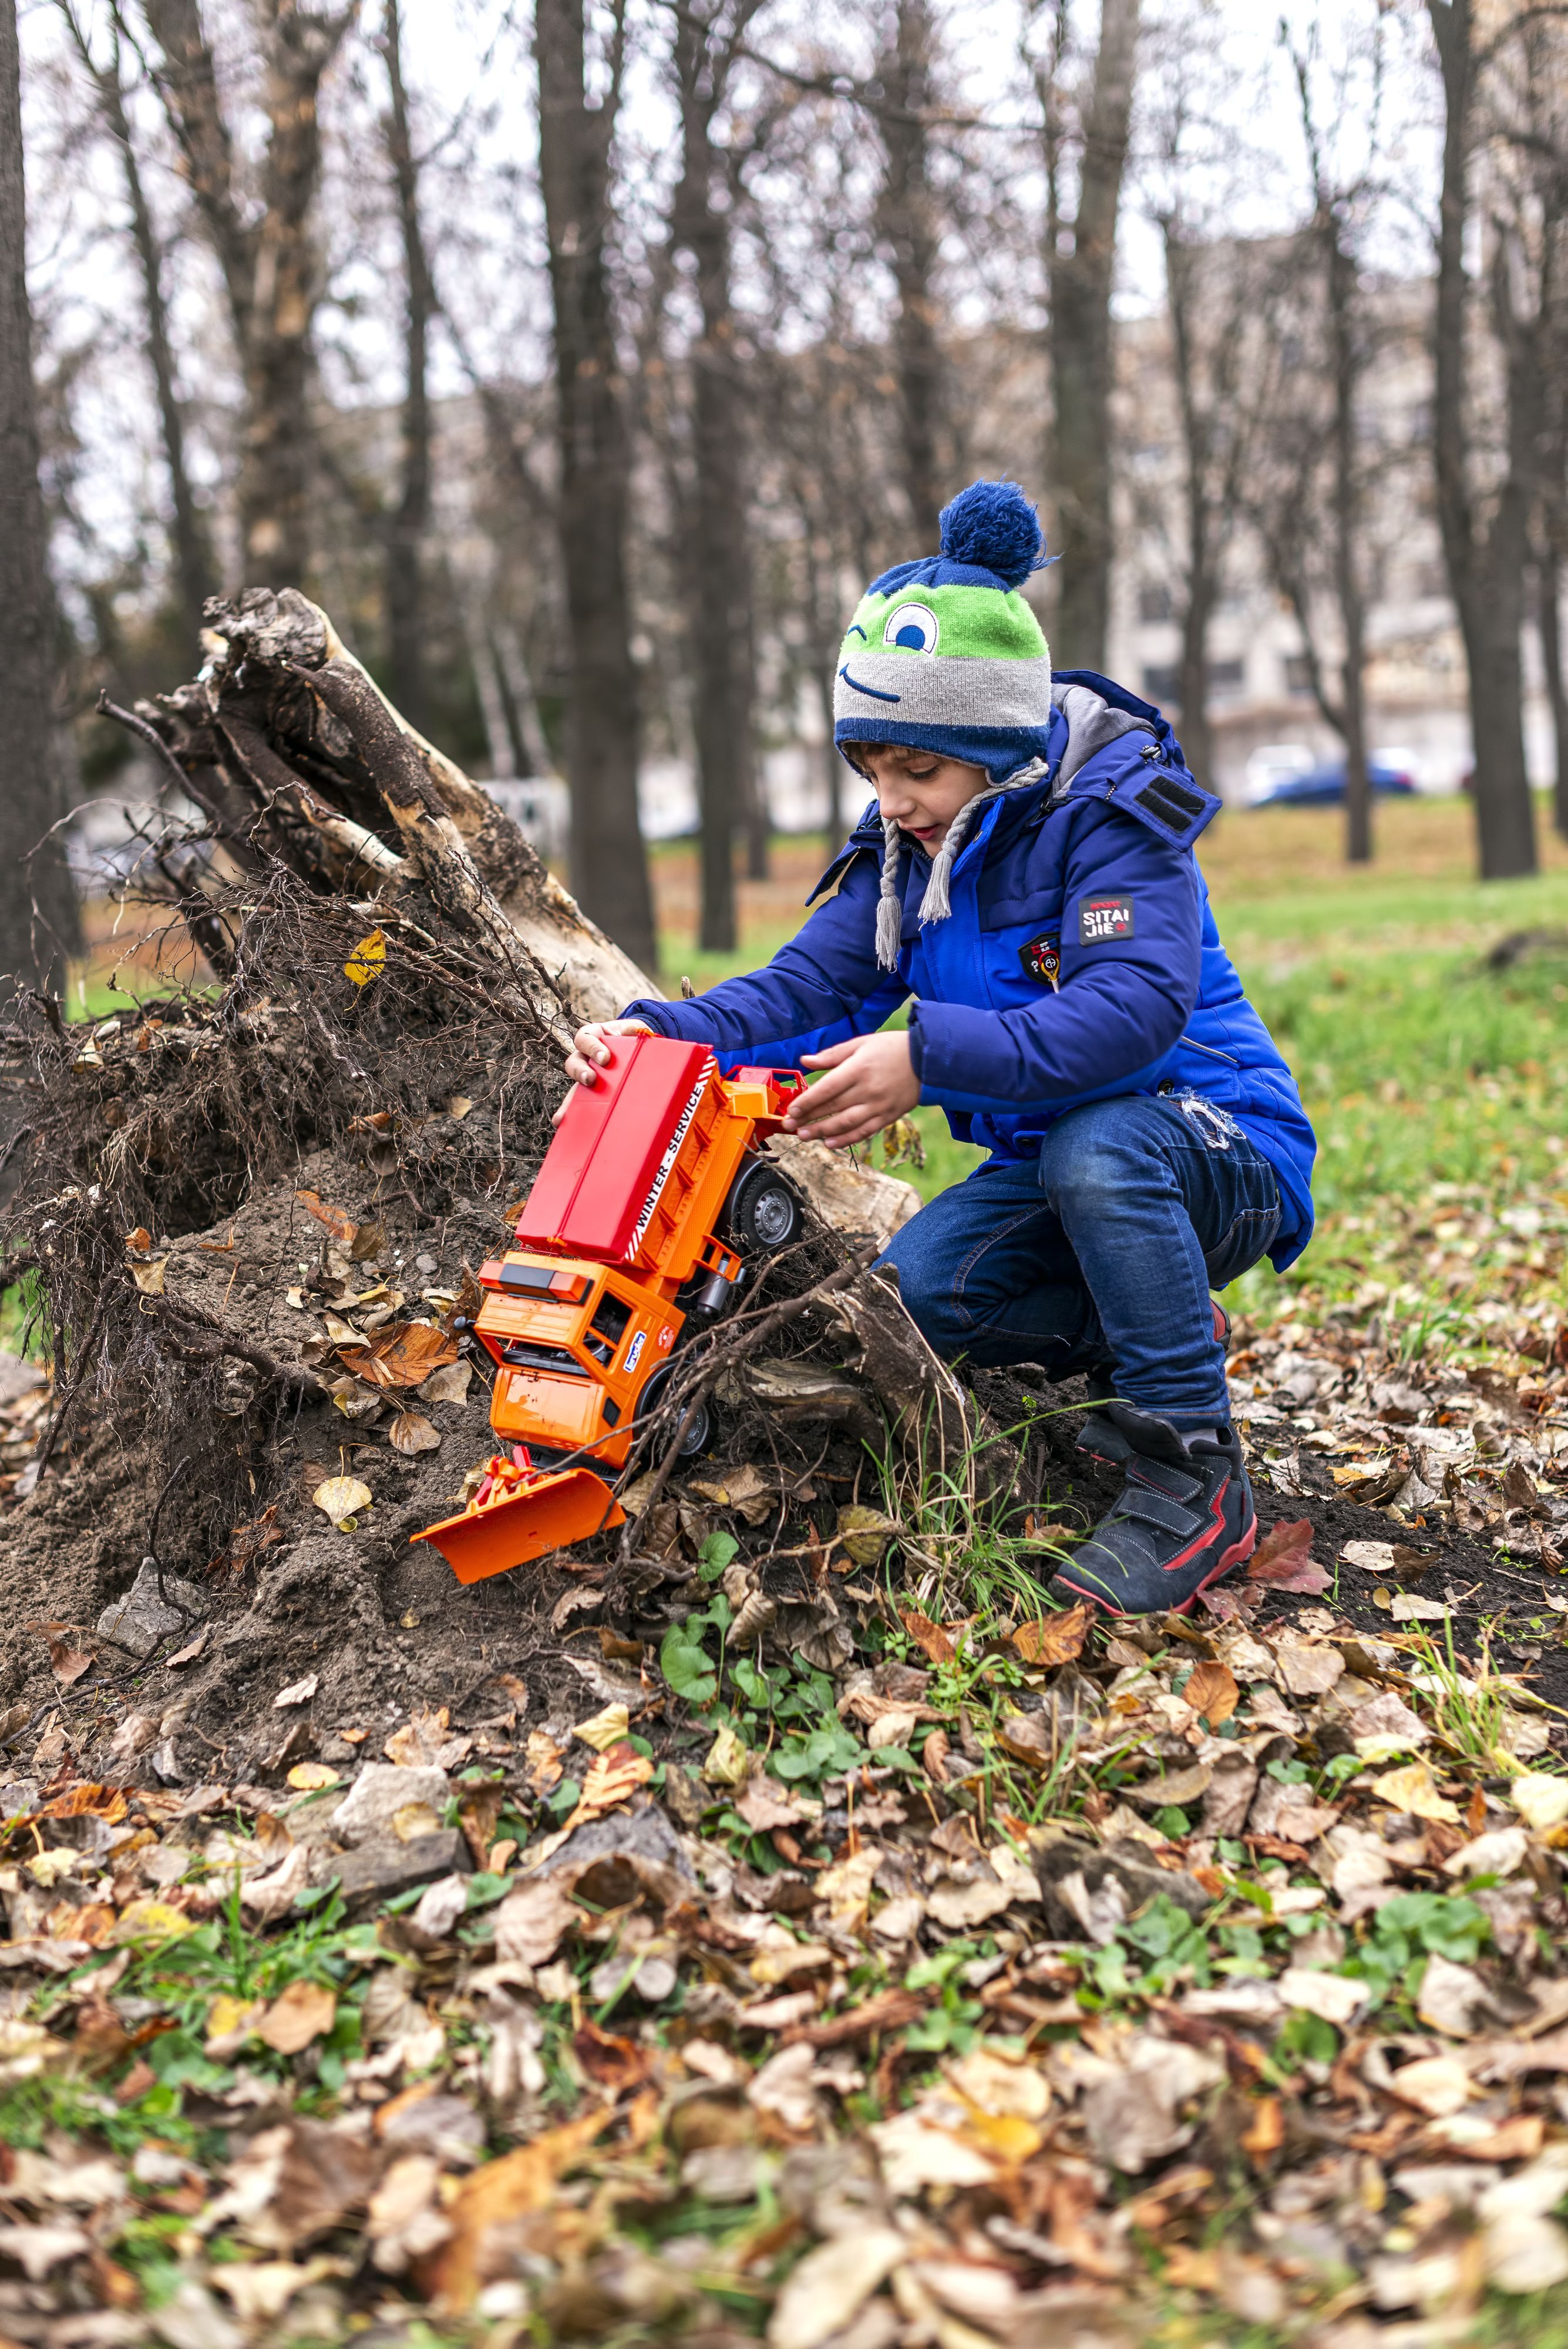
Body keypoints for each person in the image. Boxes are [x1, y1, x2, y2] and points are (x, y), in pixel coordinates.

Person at [557, 480, 1315, 1616]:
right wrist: (656, 1030)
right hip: (1060, 1167)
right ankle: (1145, 1331)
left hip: (1214, 1140)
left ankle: (1194, 1477)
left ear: (993, 741)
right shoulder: (906, 850)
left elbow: (1133, 1015)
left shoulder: (1110, 813)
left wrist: (924, 1058)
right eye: (870, 770)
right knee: (909, 1300)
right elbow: (812, 984)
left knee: (1100, 1153)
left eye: (917, 769)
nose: (892, 798)